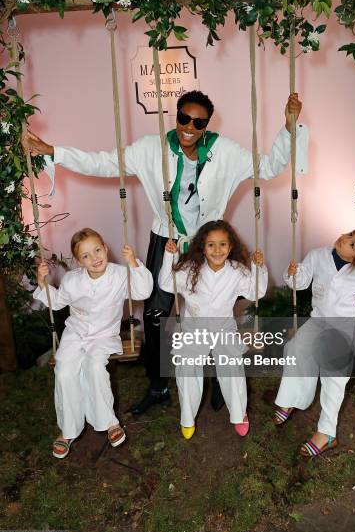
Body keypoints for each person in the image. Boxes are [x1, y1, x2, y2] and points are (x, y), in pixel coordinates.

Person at [28, 90, 308, 415]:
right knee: (156, 312)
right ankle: (159, 385)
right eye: (184, 118)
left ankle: (218, 379)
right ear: (176, 117)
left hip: (209, 244)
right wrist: (54, 151)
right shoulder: (151, 149)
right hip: (167, 240)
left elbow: (269, 167)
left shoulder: (225, 151)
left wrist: (288, 126)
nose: (190, 126)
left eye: (198, 121)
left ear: (206, 124)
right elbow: (104, 162)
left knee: (216, 309)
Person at [33, 228, 153, 459]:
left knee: (95, 367)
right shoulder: (72, 280)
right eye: (86, 255)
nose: (95, 258)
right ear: (79, 261)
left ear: (106, 249)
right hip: (75, 333)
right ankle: (68, 430)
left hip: (104, 335)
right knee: (65, 371)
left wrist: (133, 263)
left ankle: (108, 422)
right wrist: (41, 282)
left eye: (98, 250)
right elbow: (56, 302)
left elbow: (143, 290)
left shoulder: (120, 275)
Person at [273, 228, 355, 457]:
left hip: (343, 327)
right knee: (295, 349)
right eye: (350, 235)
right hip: (319, 320)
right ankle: (292, 398)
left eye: (353, 244)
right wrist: (294, 274)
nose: (345, 239)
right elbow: (302, 282)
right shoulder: (318, 255)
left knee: (333, 373)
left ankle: (327, 432)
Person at [158, 220, 268, 439]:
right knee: (187, 369)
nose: (217, 250)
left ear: (230, 247)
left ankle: (239, 413)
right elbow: (166, 284)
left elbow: (257, 293)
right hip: (193, 328)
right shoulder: (190, 269)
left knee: (232, 368)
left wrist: (258, 267)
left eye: (222, 244)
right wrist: (169, 257)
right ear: (202, 247)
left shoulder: (237, 271)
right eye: (211, 245)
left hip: (223, 328)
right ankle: (187, 418)